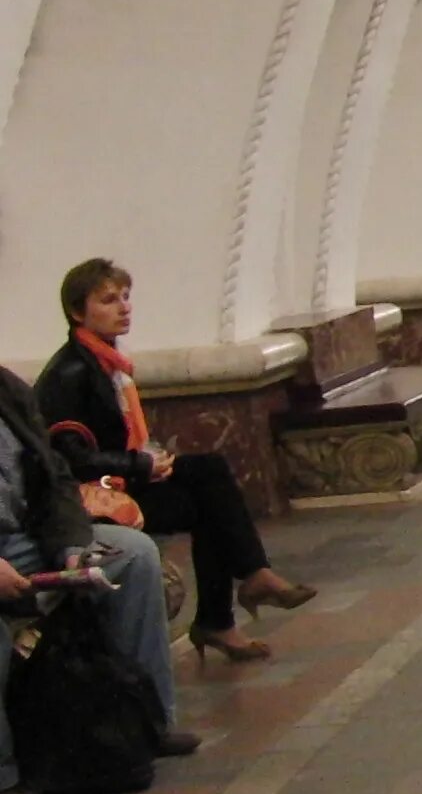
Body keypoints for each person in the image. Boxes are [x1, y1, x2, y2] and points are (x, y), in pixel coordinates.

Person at [37, 261, 318, 665]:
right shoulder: (70, 374)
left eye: (125, 297)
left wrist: (147, 460)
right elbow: (67, 458)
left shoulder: (105, 363)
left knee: (210, 472)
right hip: (94, 500)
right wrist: (139, 465)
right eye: (109, 300)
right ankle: (233, 601)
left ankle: (245, 586)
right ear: (78, 312)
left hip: (119, 480)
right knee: (209, 505)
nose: (124, 308)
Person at [0, 358, 200, 794]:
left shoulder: (6, 388)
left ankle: (149, 722)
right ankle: (5, 773)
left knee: (132, 555)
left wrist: (71, 545)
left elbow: (54, 478)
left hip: (20, 537)